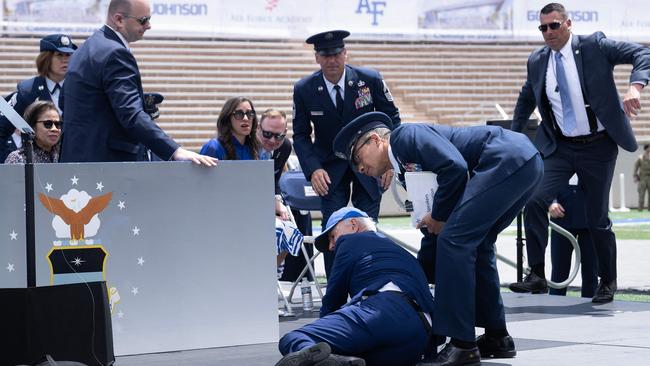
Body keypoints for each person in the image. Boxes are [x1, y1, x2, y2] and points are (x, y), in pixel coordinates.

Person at [333, 112, 543, 366]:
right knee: (477, 243)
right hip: (522, 161)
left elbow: (454, 168)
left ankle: (462, 344)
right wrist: (421, 270)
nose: (360, 169)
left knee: (455, 241)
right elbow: (435, 220)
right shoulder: (404, 167)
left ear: (376, 140)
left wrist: (440, 218)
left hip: (505, 158)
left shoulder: (405, 137)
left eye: (357, 158)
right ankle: (497, 336)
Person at [508, 2, 650, 304]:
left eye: (554, 25)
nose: (548, 32)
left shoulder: (594, 46)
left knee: (597, 217)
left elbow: (642, 53)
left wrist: (635, 88)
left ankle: (607, 281)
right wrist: (511, 136)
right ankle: (536, 273)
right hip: (560, 146)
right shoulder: (537, 61)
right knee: (533, 199)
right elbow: (526, 98)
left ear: (568, 24)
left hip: (598, 145)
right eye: (543, 28)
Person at [292, 29, 400, 277]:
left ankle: (370, 285)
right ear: (317, 58)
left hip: (372, 166)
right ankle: (336, 293)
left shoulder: (369, 80)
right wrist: (313, 168)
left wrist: (389, 161)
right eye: (325, 55)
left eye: (337, 53)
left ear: (345, 53)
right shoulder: (304, 89)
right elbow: (300, 135)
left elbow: (392, 119)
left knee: (367, 228)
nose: (332, 60)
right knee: (334, 230)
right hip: (329, 170)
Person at [59, 0, 215, 166]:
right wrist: (174, 150)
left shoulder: (84, 49)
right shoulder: (115, 53)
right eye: (143, 20)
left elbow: (63, 101)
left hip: (76, 160)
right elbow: (131, 114)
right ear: (119, 20)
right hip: (108, 166)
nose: (148, 25)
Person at [276, 207, 435, 366]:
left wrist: (324, 337)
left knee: (295, 339)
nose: (332, 246)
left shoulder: (350, 241)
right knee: (356, 358)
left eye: (332, 236)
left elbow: (332, 301)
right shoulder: (404, 254)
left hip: (384, 310)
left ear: (353, 224)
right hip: (422, 334)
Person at [257, 108, 315, 279]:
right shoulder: (247, 146)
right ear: (258, 128)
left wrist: (277, 201)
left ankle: (271, 273)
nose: (272, 140)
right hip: (247, 204)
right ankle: (262, 274)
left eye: (278, 136)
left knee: (292, 227)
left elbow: (273, 179)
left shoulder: (285, 146)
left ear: (285, 133)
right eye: (267, 134)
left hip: (266, 199)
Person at [0, 34, 77, 162]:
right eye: (59, 55)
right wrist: (4, 167)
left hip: (71, 167)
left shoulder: (79, 89)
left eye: (68, 55)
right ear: (46, 59)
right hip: (36, 167)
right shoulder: (28, 91)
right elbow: (2, 128)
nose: (65, 60)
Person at [548, 181, 598, 298]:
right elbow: (548, 178)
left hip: (590, 217)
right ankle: (555, 306)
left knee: (591, 271)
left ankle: (589, 305)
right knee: (559, 271)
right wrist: (551, 201)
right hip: (561, 217)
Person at [200, 96, 261, 161]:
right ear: (228, 118)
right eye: (239, 114)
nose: (245, 118)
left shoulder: (254, 149)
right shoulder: (213, 147)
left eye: (249, 113)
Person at [633, 144, 650, 210]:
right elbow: (636, 167)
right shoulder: (640, 158)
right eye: (648, 148)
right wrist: (635, 176)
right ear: (646, 149)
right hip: (642, 178)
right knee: (641, 194)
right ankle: (640, 208)